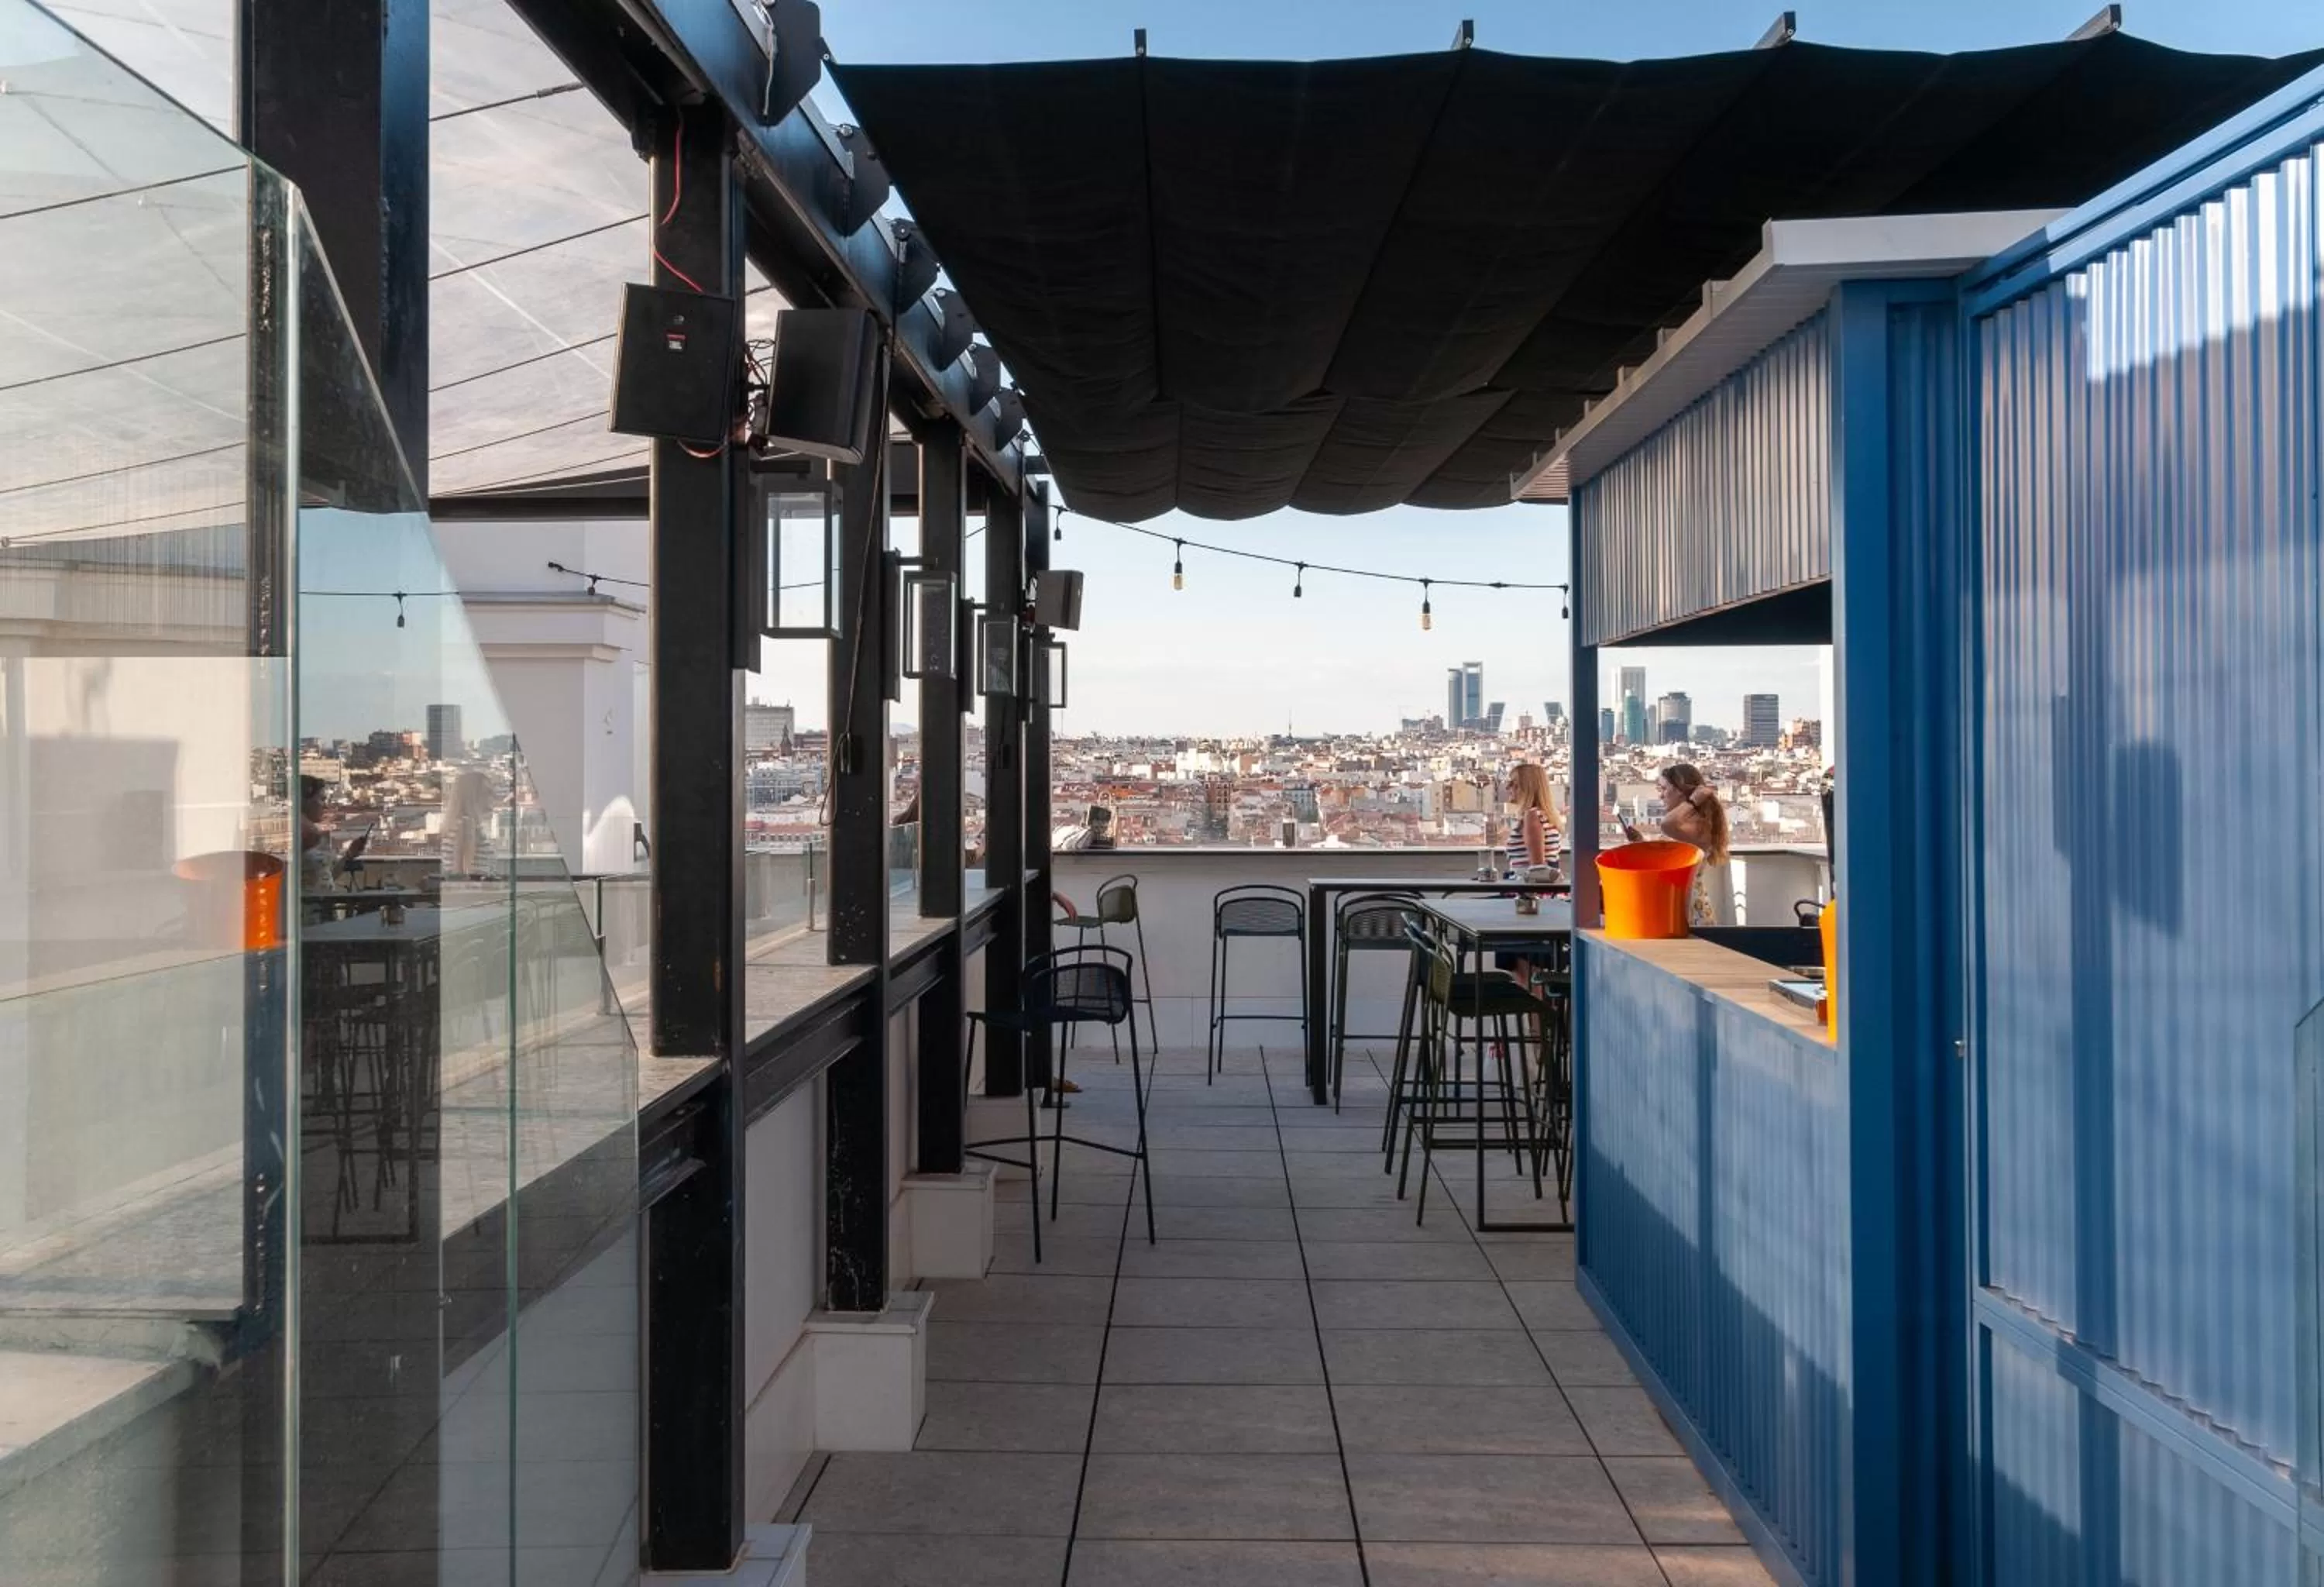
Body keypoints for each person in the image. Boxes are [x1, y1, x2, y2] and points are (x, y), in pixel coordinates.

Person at [1625, 763, 1732, 926]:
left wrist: (1693, 801)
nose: (1661, 796)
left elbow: (1667, 825)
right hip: (1679, 903)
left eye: (1664, 789)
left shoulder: (1699, 825)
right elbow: (1671, 859)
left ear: (1681, 792)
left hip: (1688, 907)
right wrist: (1641, 843)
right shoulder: (1690, 823)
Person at [1503, 763, 1564, 880]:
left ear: (1527, 788)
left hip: (1527, 891)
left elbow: (1538, 870)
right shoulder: (1544, 815)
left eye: (1513, 784)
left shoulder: (1532, 816)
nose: (1507, 787)